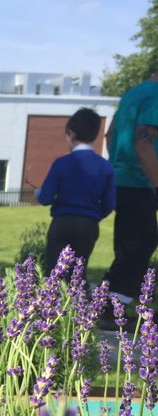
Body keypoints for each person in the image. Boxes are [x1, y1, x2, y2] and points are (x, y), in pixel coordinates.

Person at [36, 108, 115, 280]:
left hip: (62, 222)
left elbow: (46, 198)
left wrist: (38, 194)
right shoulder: (105, 167)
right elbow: (109, 203)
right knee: (78, 273)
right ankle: (77, 305)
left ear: (71, 133)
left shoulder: (61, 163)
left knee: (54, 273)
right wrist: (94, 215)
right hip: (88, 224)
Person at [101, 72, 158, 306]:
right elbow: (143, 142)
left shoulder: (132, 94)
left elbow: (110, 134)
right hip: (140, 182)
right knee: (138, 246)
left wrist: (116, 164)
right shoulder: (155, 96)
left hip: (122, 180)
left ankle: (113, 298)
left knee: (133, 244)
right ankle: (111, 305)